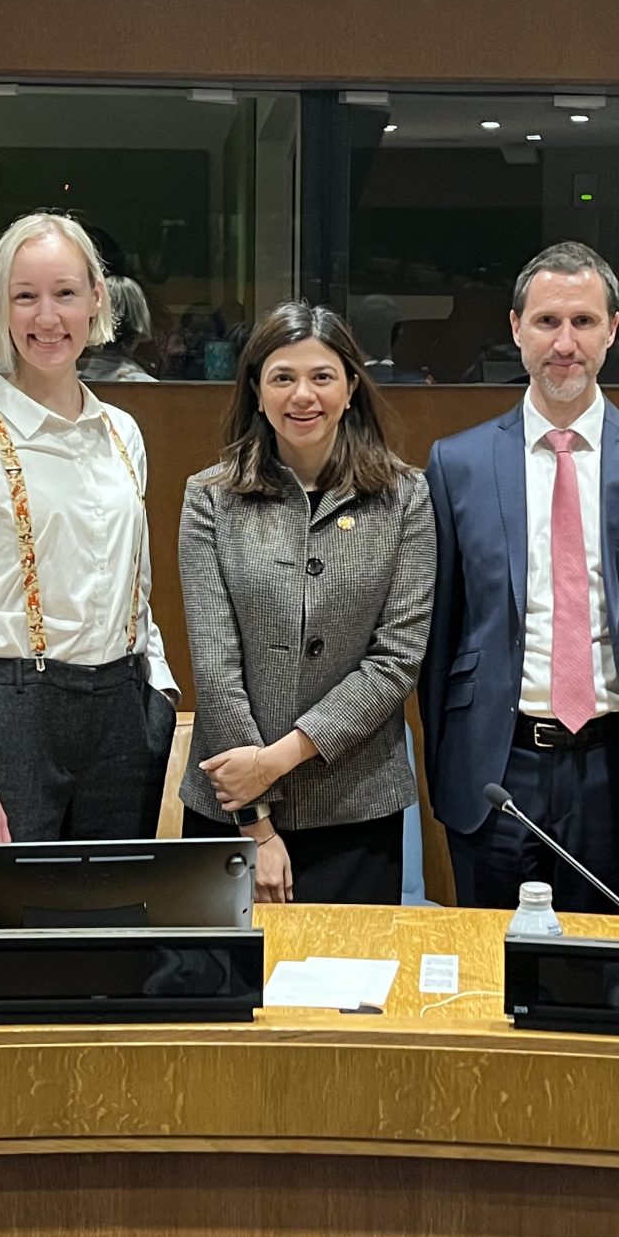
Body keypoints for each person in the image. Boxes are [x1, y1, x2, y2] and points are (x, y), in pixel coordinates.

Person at [420, 241, 619, 916]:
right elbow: (439, 637)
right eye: (548, 322)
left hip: (618, 769)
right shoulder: (456, 464)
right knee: (493, 974)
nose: (565, 342)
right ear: (516, 327)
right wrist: (450, 772)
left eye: (583, 322)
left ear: (613, 329)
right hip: (498, 769)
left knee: (606, 982)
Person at [0, 212, 178, 844]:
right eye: (25, 297)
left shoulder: (125, 434)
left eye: (64, 293)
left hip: (122, 711)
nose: (47, 317)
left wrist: (160, 693)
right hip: (9, 713)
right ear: (0, 310)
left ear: (96, 300)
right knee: (5, 933)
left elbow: (133, 591)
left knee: (112, 928)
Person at [178, 303, 435, 904]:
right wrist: (256, 822)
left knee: (351, 994)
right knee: (226, 995)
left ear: (351, 387)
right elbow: (216, 670)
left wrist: (277, 761)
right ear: (257, 392)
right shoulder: (209, 498)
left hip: (356, 811)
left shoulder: (406, 498)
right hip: (230, 812)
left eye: (322, 376)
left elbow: (396, 660)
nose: (303, 395)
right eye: (282, 377)